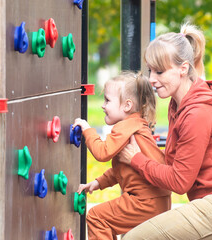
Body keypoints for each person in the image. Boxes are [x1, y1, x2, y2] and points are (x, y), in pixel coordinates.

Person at [118, 23, 212, 240]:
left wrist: (136, 159)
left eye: (160, 71)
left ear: (183, 69)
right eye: (150, 71)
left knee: (134, 238)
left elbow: (179, 181)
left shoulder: (197, 112)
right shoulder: (179, 105)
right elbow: (173, 164)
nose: (152, 79)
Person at [73, 71, 171, 240]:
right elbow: (124, 168)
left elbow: (102, 153)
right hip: (157, 202)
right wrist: (98, 183)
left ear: (126, 106)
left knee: (97, 218)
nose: (103, 106)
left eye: (107, 100)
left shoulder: (124, 127)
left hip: (144, 202)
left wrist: (87, 130)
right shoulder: (138, 125)